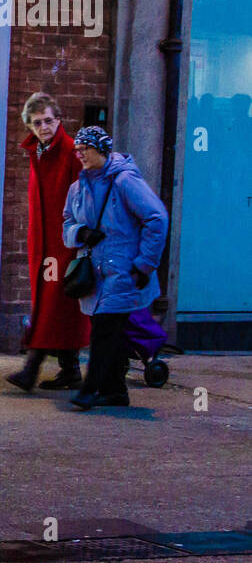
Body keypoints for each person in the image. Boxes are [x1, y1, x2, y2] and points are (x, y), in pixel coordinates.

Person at [61, 126, 168, 409]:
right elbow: (67, 223)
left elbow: (156, 218)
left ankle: (89, 389)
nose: (80, 154)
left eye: (86, 149)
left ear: (102, 149)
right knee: (111, 334)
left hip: (123, 273)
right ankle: (115, 391)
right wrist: (80, 234)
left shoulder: (124, 181)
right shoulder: (78, 188)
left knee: (103, 333)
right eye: (78, 149)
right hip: (95, 275)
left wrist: (144, 264)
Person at [6, 93, 91, 391]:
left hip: (62, 246)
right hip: (43, 244)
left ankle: (32, 368)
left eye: (49, 121)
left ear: (59, 120)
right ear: (30, 126)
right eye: (37, 122)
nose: (44, 127)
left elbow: (83, 199)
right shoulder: (39, 152)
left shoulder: (69, 152)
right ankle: (70, 370)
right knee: (55, 306)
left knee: (51, 304)